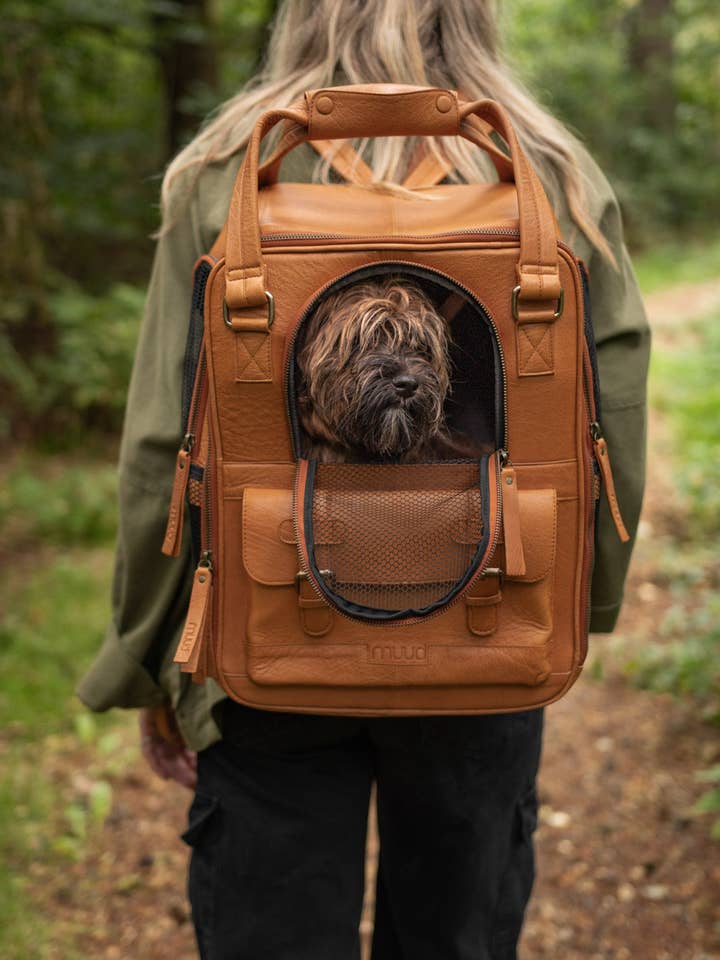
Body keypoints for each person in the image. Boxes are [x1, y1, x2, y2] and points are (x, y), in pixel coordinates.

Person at [77, 1, 651, 957]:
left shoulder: (227, 172)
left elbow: (159, 448)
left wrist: (150, 658)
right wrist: (579, 602)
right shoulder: (548, 172)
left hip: (269, 638)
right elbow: (615, 425)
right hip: (493, 620)